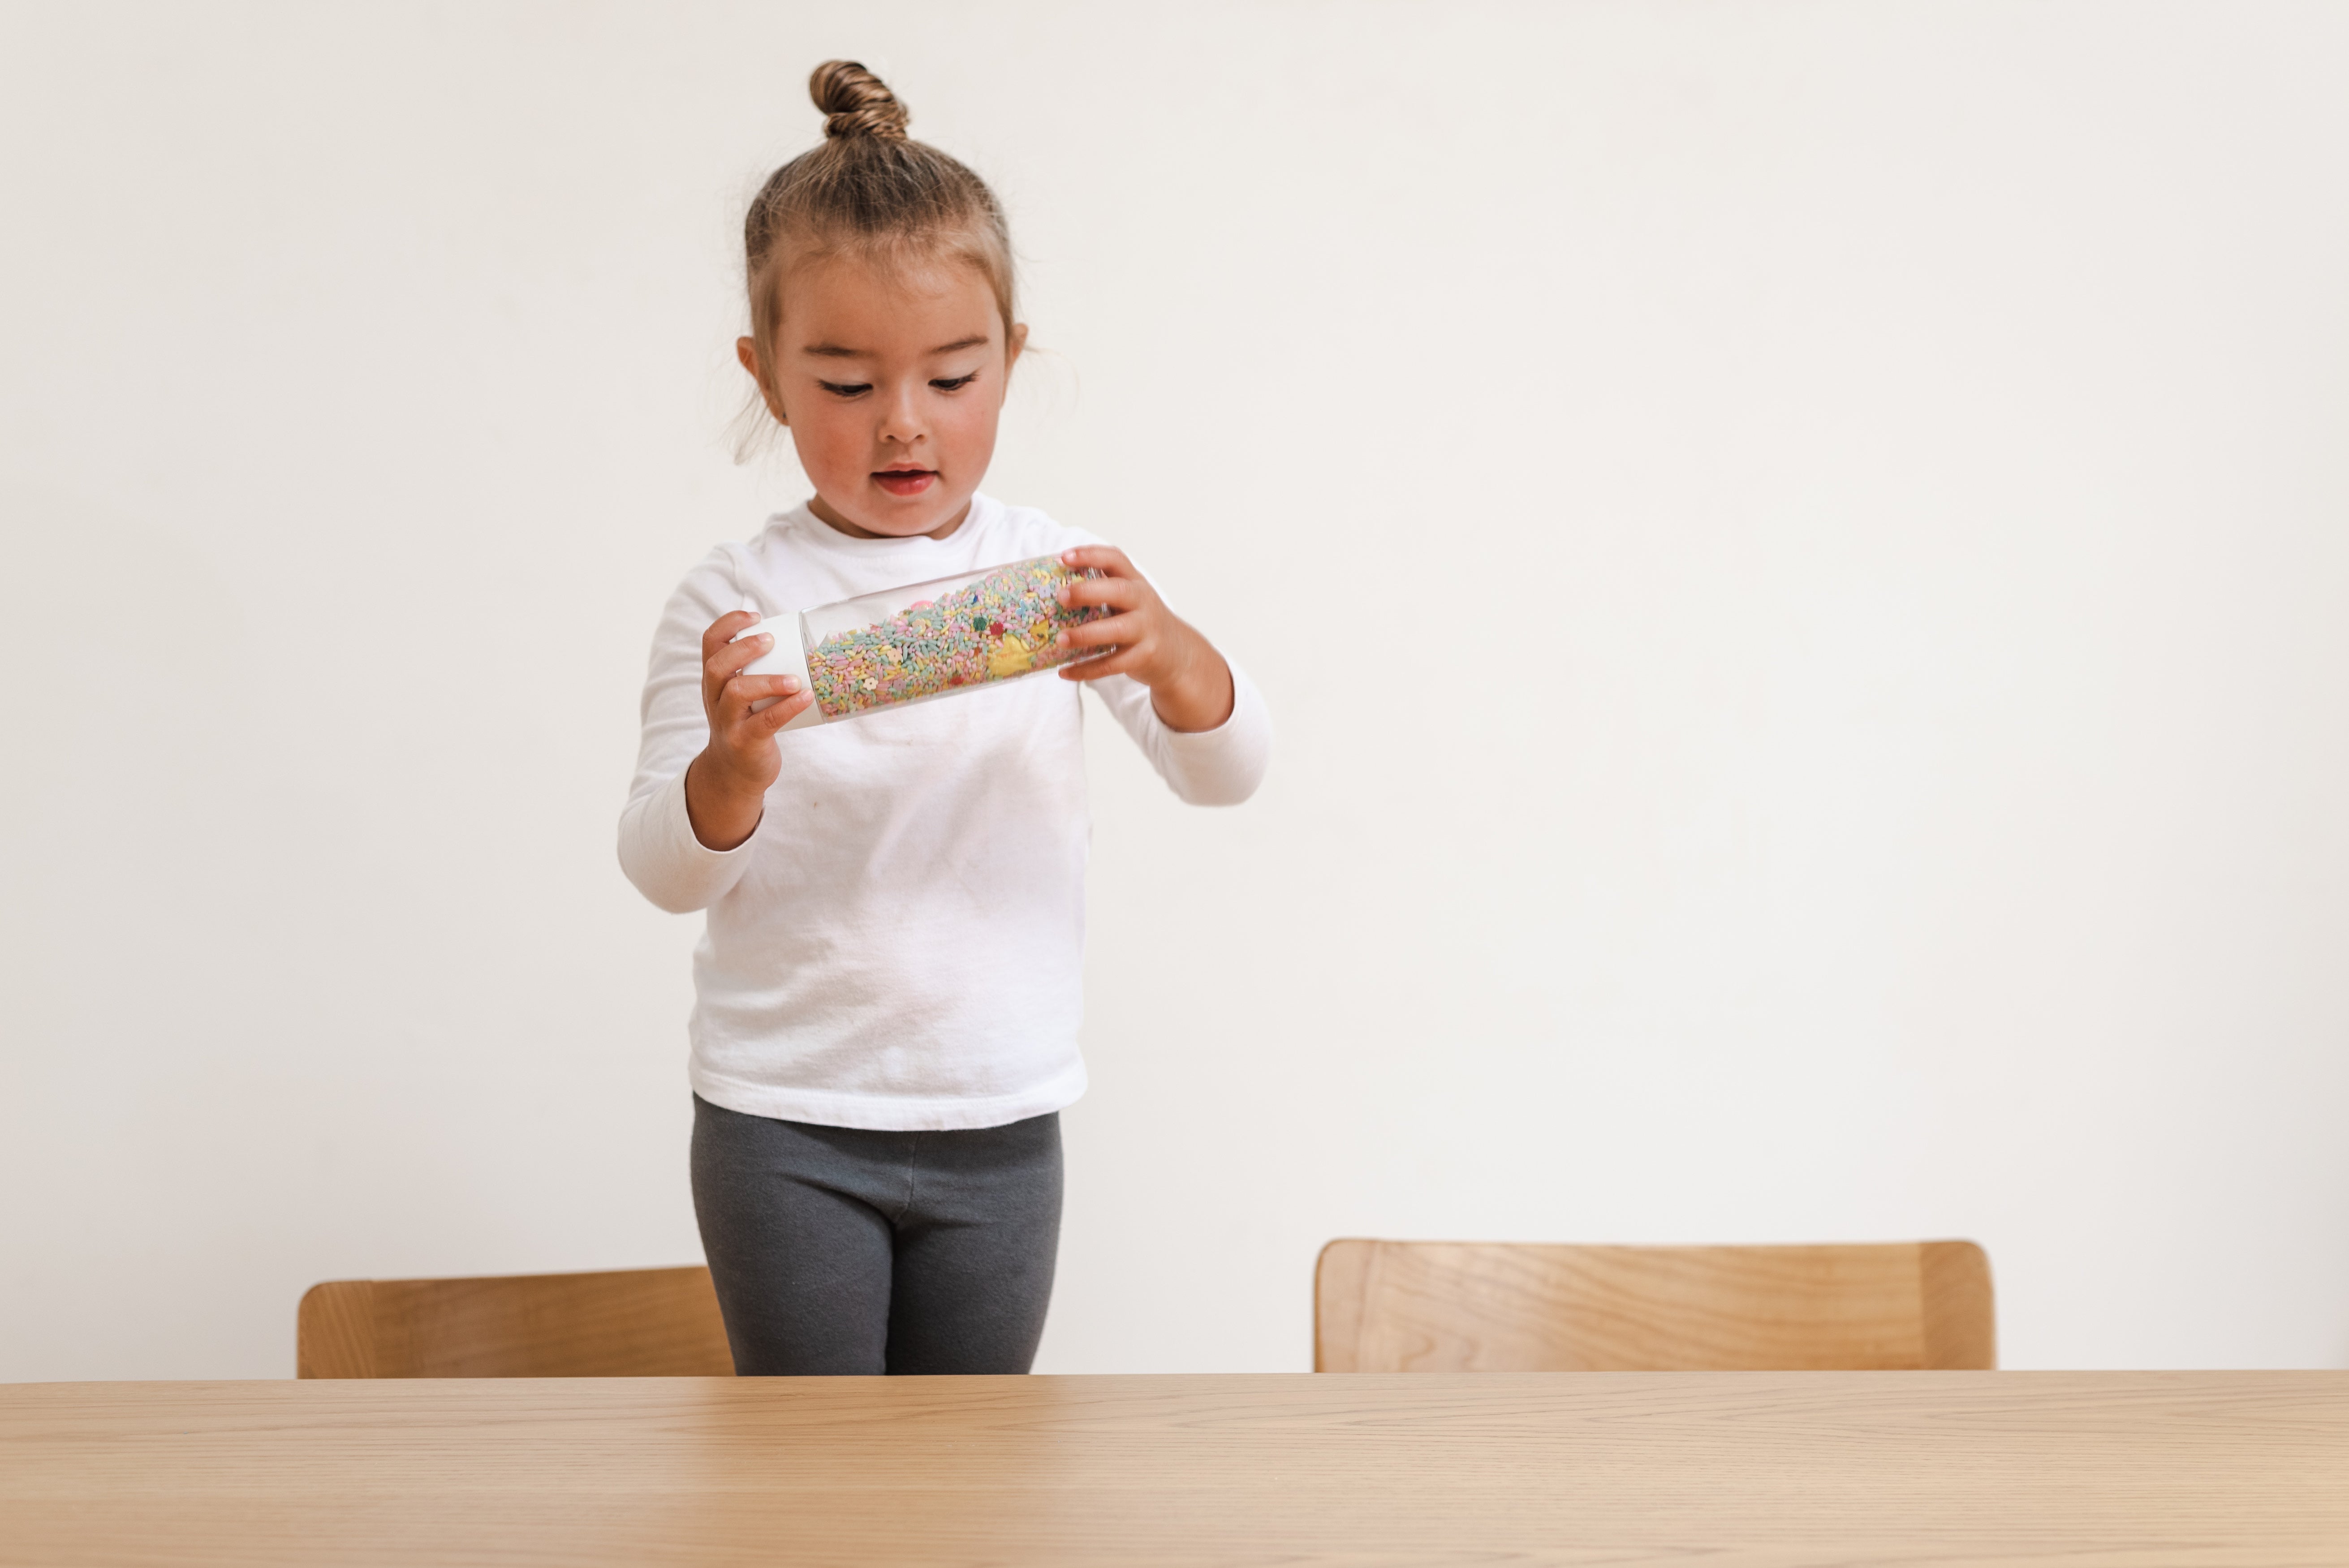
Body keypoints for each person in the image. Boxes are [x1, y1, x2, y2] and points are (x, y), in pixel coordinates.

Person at [617, 61, 1271, 1375]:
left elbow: (1228, 775)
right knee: (812, 1476)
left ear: (1011, 359)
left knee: (968, 1476)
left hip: (1002, 1114)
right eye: (847, 385)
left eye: (953, 376)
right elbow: (658, 866)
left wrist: (1176, 654)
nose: (903, 425)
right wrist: (731, 772)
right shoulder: (738, 597)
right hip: (782, 1119)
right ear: (767, 374)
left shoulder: (1064, 574)